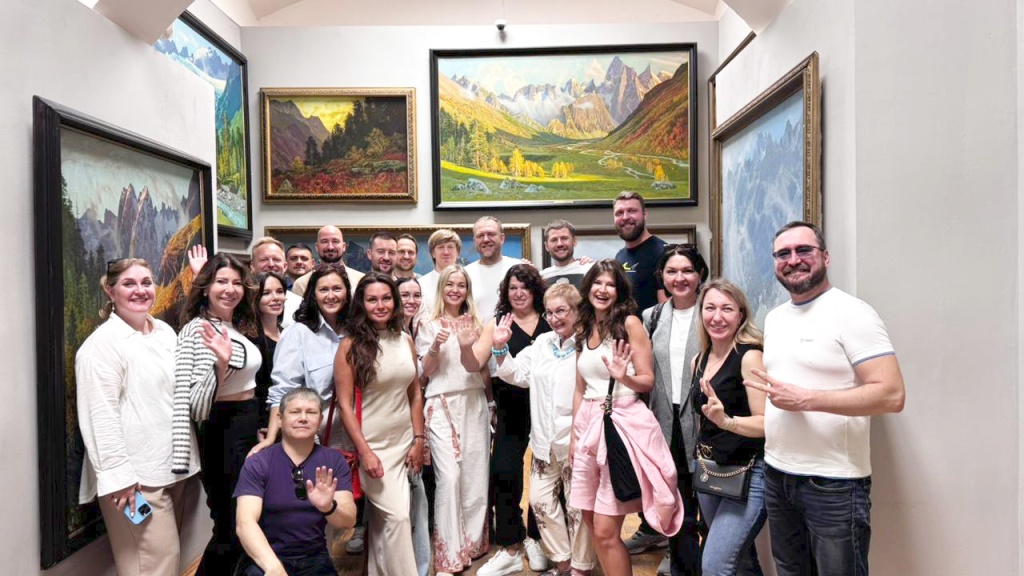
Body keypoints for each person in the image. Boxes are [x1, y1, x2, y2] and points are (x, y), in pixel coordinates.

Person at [743, 221, 905, 576]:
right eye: (783, 254)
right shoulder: (776, 318)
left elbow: (891, 394)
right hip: (778, 474)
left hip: (833, 483)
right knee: (789, 570)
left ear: (826, 257)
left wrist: (807, 400)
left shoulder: (852, 312)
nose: (793, 260)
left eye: (804, 250)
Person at [76, 258, 201, 576]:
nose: (140, 290)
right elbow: (99, 416)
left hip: (172, 468)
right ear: (110, 290)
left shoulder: (164, 333)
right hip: (136, 480)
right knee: (153, 566)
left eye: (146, 282)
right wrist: (120, 480)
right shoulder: (101, 346)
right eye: (128, 284)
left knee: (166, 562)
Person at [570, 260, 683, 576]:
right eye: (598, 283)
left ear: (619, 291)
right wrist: (574, 439)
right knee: (591, 523)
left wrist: (624, 377)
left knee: (606, 530)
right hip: (588, 425)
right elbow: (579, 388)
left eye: (610, 284)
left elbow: (647, 380)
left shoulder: (630, 324)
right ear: (588, 287)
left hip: (620, 422)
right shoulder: (584, 326)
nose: (603, 290)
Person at [492, 283, 598, 576]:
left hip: (576, 441)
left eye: (561, 311)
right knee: (539, 502)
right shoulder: (541, 343)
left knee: (577, 509)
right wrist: (500, 347)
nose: (554, 318)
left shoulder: (588, 344)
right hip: (543, 443)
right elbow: (516, 374)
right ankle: (563, 561)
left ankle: (580, 568)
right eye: (549, 313)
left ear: (577, 311)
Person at [173, 253, 262, 575]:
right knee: (231, 525)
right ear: (206, 288)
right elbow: (195, 405)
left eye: (236, 282)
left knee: (246, 519)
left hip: (244, 424)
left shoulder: (230, 324)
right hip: (222, 429)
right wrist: (220, 365)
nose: (230, 289)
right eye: (221, 282)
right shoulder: (197, 330)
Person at [458, 265, 551, 575]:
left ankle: (537, 538)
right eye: (513, 288)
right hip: (510, 403)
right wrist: (464, 346)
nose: (519, 293)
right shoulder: (498, 322)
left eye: (525, 287)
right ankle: (510, 544)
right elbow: (474, 364)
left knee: (545, 474)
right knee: (504, 470)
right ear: (505, 292)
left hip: (547, 406)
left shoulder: (551, 319)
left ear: (535, 290)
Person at [336, 273, 425, 575]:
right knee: (398, 517)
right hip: (372, 445)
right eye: (372, 299)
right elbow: (345, 406)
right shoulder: (349, 345)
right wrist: (365, 452)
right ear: (361, 304)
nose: (380, 305)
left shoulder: (405, 339)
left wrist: (418, 439)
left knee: (385, 522)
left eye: (386, 298)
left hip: (404, 442)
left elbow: (415, 394)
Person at [415, 265, 492, 576]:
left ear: (467, 290)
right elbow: (425, 373)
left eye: (461, 285)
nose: (455, 290)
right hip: (441, 402)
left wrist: (490, 402)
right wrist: (435, 345)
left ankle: (471, 546)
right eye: (450, 284)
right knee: (448, 478)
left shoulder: (479, 323)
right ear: (441, 288)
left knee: (475, 477)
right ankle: (447, 556)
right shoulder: (427, 323)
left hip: (473, 402)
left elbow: (479, 368)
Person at [235, 387, 358, 576]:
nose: (303, 418)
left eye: (311, 412)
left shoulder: (333, 461)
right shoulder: (259, 462)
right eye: (295, 412)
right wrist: (274, 568)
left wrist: (328, 507)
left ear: (320, 420)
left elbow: (349, 521)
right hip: (266, 557)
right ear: (279, 419)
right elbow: (245, 523)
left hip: (314, 558)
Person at [690, 279, 768, 576]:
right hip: (711, 470)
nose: (717, 317)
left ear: (740, 315)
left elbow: (766, 423)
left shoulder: (750, 356)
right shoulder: (699, 359)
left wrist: (727, 422)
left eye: (727, 309)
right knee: (742, 561)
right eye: (710, 308)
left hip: (749, 473)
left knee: (715, 565)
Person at [642, 244, 710, 576]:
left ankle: (712, 565)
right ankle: (683, 567)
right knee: (676, 504)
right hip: (665, 423)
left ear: (700, 275)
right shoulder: (651, 317)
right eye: (671, 271)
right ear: (662, 276)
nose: (679, 278)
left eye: (687, 271)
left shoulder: (712, 312)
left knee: (710, 506)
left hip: (705, 423)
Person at [251, 263, 351, 454]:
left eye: (337, 288)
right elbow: (283, 389)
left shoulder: (358, 332)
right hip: (317, 437)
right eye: (323, 290)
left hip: (362, 433)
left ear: (347, 293)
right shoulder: (297, 334)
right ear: (313, 295)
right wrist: (272, 436)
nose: (331, 296)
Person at [395, 275, 433, 576]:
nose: (411, 300)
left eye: (416, 295)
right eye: (404, 295)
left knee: (416, 490)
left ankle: (418, 564)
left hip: (416, 414)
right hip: (394, 420)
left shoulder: (415, 330)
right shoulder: (391, 332)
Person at [613, 191, 667, 312]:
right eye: (619, 213)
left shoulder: (664, 253)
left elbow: (666, 312)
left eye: (632, 210)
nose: (625, 217)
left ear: (645, 214)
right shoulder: (619, 256)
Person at [466, 216, 524, 324]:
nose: (486, 239)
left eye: (491, 234)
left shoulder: (519, 267)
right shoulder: (465, 274)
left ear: (502, 238)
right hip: (477, 334)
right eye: (480, 235)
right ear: (474, 241)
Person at [252, 271, 287, 430]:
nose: (275, 298)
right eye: (266, 293)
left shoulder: (288, 333)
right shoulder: (251, 339)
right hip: (262, 423)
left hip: (288, 417)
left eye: (280, 291)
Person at [292, 225, 365, 297]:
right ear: (317, 247)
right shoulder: (301, 284)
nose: (330, 247)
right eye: (324, 242)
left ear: (343, 247)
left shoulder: (361, 280)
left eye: (335, 241)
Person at [250, 237, 301, 328]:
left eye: (276, 259)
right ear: (252, 266)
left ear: (285, 266)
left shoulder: (298, 304)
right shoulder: (240, 301)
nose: (271, 264)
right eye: (264, 259)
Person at [540, 219, 593, 289]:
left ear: (574, 241)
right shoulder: (542, 277)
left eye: (564, 238)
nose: (559, 244)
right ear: (546, 246)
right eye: (554, 240)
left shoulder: (590, 269)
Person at [418, 228, 462, 312]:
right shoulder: (421, 284)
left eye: (450, 247)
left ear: (457, 252)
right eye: (441, 247)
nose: (446, 252)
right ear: (433, 253)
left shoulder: (468, 282)